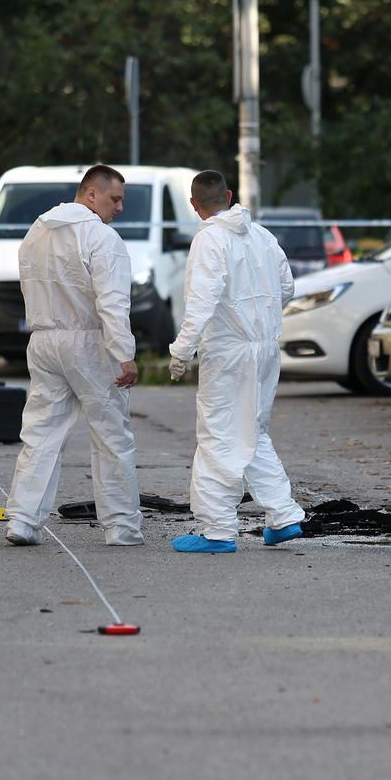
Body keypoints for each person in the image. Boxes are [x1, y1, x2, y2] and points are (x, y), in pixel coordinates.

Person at [3, 165, 144, 547]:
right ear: (92, 194)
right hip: (88, 341)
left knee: (41, 432)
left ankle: (22, 519)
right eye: (115, 199)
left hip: (44, 339)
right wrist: (124, 354)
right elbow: (113, 302)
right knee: (112, 434)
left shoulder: (38, 230)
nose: (119, 208)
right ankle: (122, 527)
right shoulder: (101, 237)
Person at [167, 170, 306, 553]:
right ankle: (283, 515)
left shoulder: (209, 239)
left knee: (217, 436)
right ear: (229, 195)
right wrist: (261, 320)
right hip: (264, 349)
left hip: (229, 352)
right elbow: (287, 287)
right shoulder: (262, 235)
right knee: (253, 431)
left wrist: (181, 352)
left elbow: (201, 303)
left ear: (195, 205)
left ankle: (217, 530)